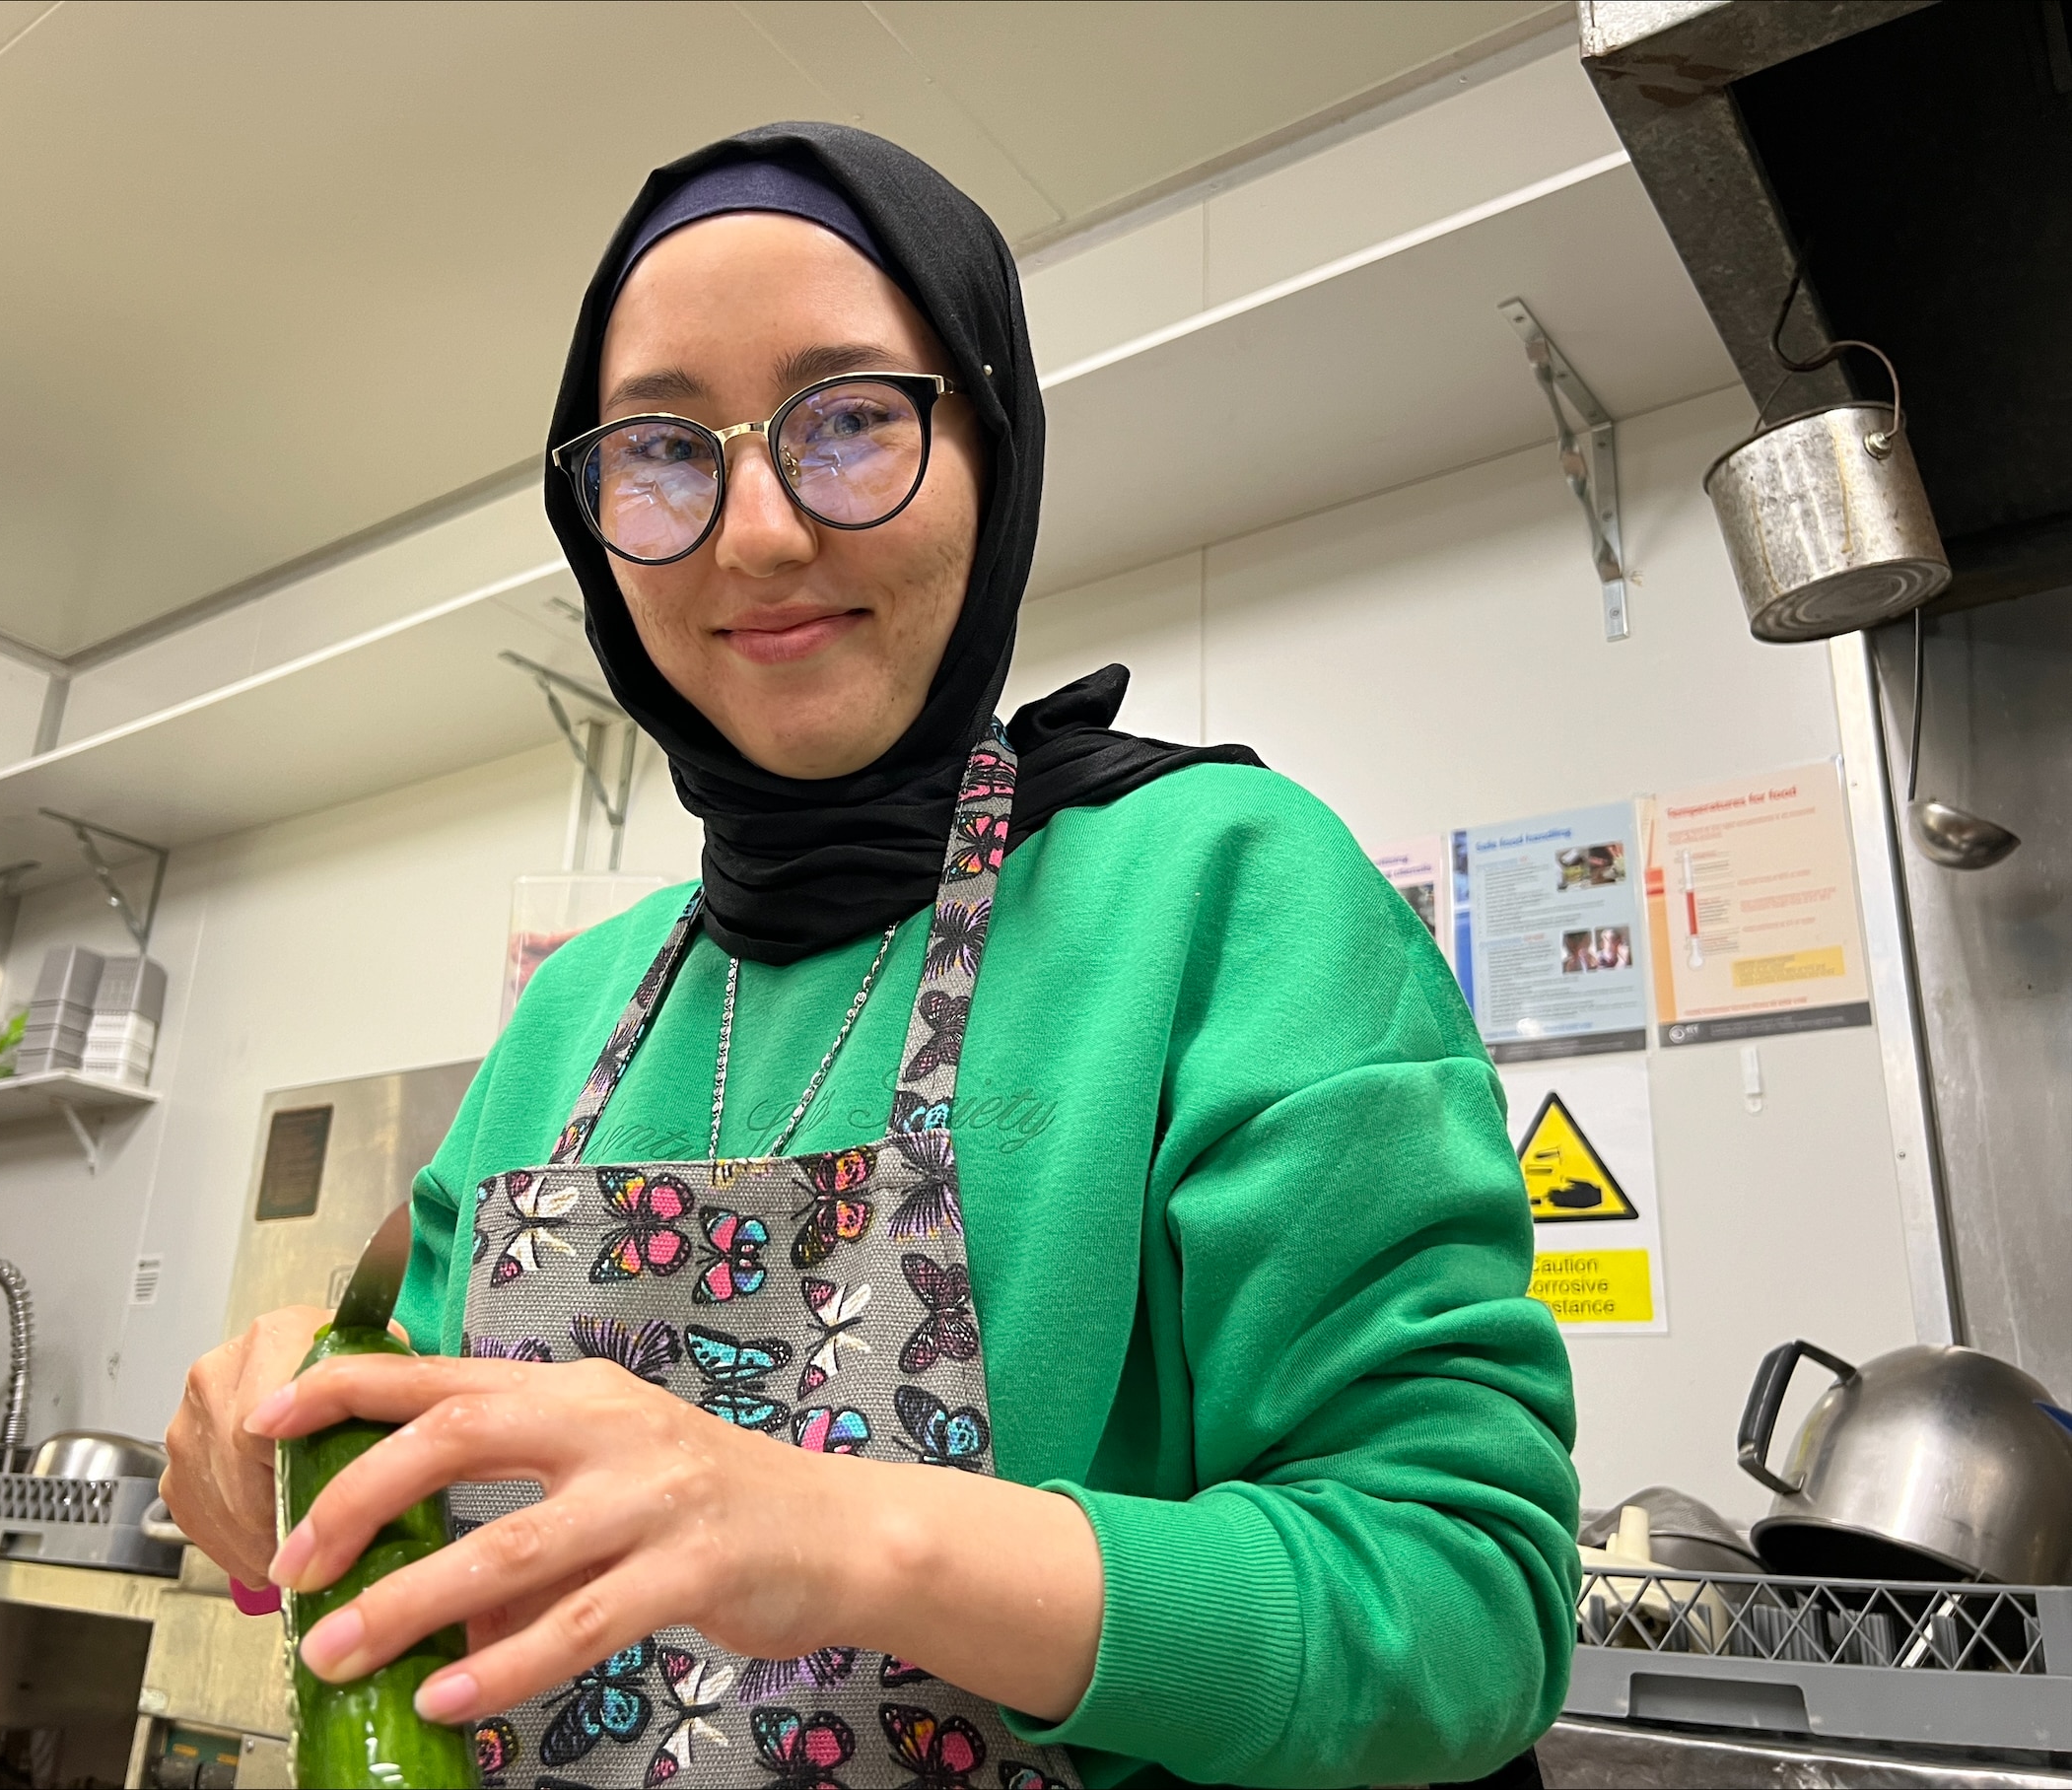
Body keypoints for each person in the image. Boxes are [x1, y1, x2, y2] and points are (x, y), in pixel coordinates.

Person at [165, 123, 1579, 1789]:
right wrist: (284, 1446)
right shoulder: (570, 1013)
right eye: (663, 451)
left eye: (847, 422)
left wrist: (853, 1537)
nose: (754, 534)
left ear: (992, 445)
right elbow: (417, 1508)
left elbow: (1466, 1606)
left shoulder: (1224, 893)